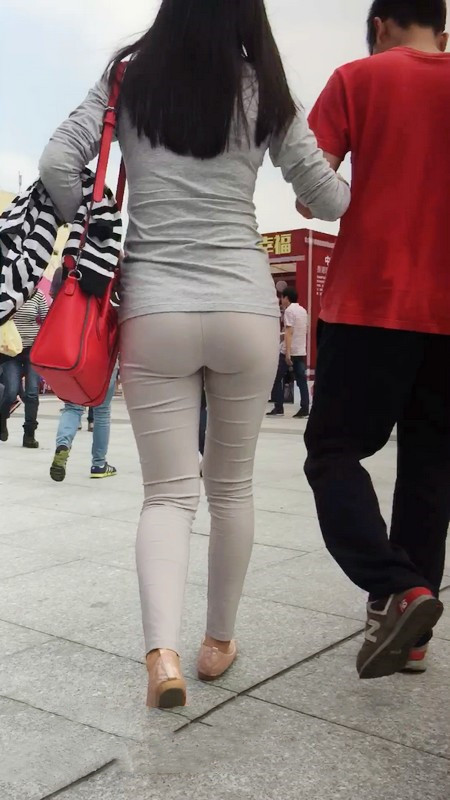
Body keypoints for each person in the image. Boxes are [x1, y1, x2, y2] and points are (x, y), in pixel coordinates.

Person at [39, 0, 350, 709]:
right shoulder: (263, 86)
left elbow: (59, 159)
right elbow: (328, 199)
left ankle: (163, 657)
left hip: (155, 310)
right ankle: (218, 643)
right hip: (244, 308)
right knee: (231, 490)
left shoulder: (129, 76)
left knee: (167, 495)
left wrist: (91, 216)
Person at [303, 0, 449, 681]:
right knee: (430, 466)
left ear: (379, 25)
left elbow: (313, 193)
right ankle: (411, 641)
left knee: (333, 451)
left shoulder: (356, 78)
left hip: (371, 299)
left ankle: (399, 589)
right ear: (443, 31)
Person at [50, 368, 118, 482]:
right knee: (102, 412)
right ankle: (99, 464)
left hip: (76, 362)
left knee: (72, 407)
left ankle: (63, 445)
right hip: (105, 365)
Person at [0, 289, 48, 447]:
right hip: (10, 351)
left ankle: (29, 434)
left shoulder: (38, 295)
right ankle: (2, 418)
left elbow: (48, 319)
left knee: (32, 392)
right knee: (11, 391)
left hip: (33, 350)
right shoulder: (6, 292)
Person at [267, 287, 309, 418]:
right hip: (300, 350)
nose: (281, 300)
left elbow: (289, 332)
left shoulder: (289, 311)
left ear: (286, 298)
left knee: (276, 378)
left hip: (289, 351)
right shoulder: (303, 310)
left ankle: (278, 407)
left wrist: (287, 353)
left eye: (282, 297)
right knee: (301, 381)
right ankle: (305, 408)